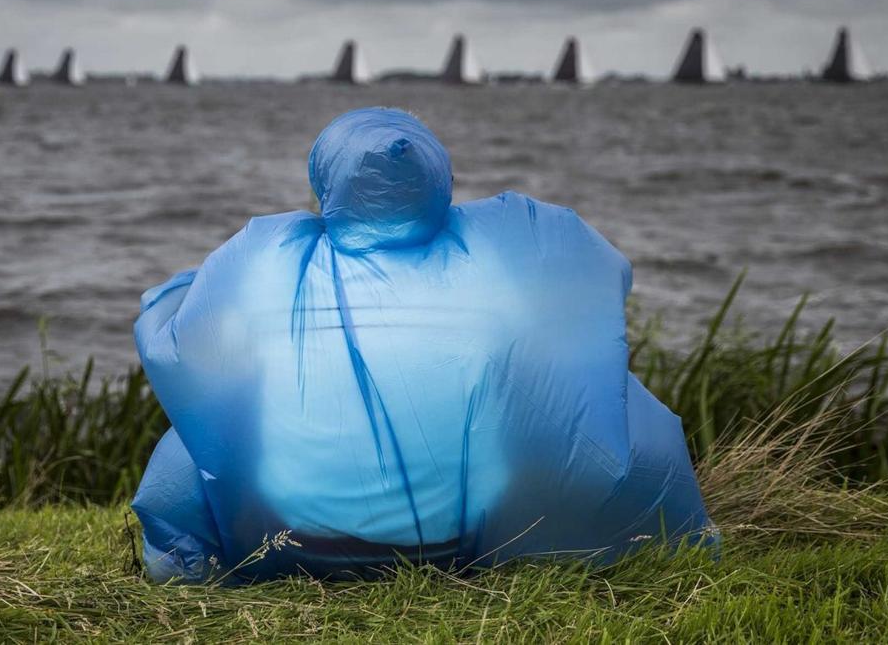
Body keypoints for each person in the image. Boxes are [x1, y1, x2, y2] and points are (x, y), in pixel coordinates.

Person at [133, 107, 713, 582]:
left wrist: (176, 295)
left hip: (288, 539)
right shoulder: (495, 254)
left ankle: (191, 561)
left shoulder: (268, 253)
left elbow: (186, 349)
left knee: (198, 434)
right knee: (620, 404)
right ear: (439, 182)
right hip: (452, 544)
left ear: (326, 180)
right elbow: (594, 297)